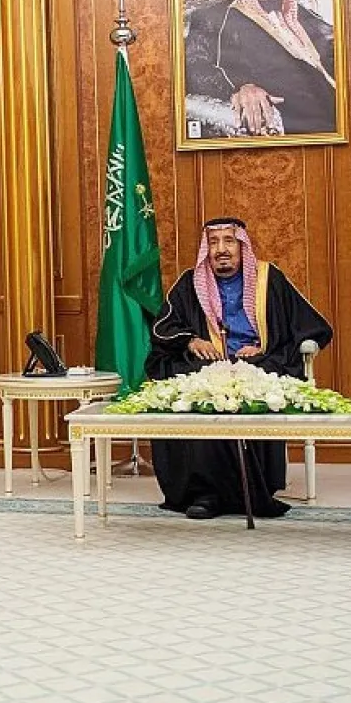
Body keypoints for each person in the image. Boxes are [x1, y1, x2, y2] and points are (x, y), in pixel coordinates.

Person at [146, 218, 333, 519]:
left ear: (242, 245)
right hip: (206, 365)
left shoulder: (268, 279)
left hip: (257, 363)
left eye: (229, 241)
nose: (221, 249)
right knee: (188, 387)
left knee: (259, 382)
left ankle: (253, 489)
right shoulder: (189, 283)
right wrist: (191, 340)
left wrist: (262, 346)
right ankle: (205, 492)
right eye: (214, 242)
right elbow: (164, 328)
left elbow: (308, 325)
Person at [184, 0, 337, 137]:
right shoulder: (216, 17)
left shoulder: (300, 13)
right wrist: (239, 89)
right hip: (297, 123)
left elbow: (336, 45)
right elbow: (194, 65)